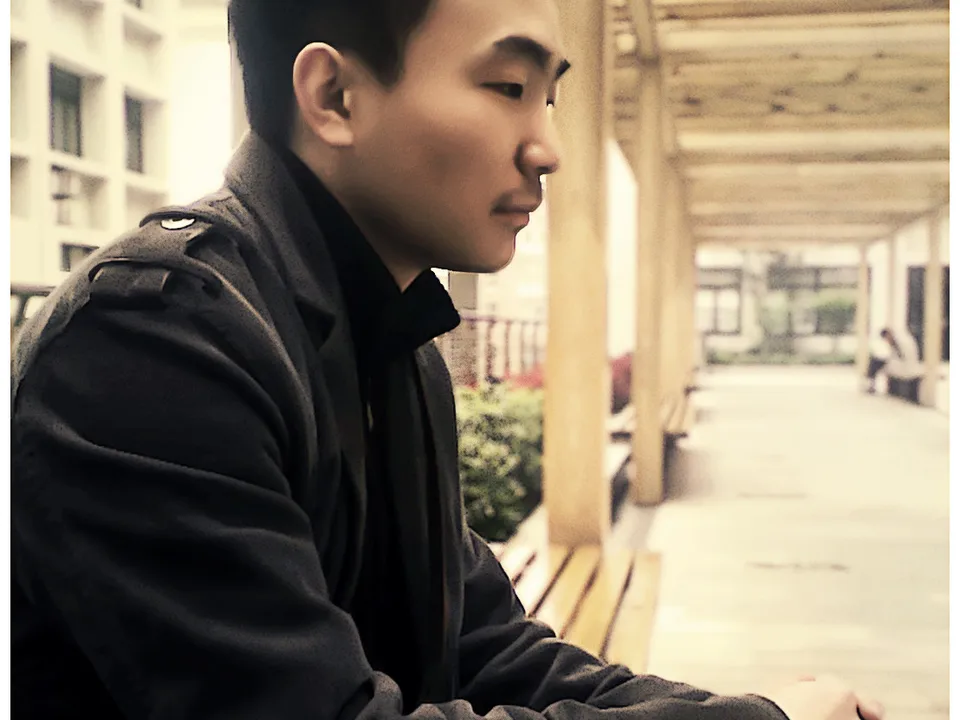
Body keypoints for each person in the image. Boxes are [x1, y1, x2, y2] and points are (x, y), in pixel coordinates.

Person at [10, 1, 885, 718]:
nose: (547, 148)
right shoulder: (154, 342)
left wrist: (751, 710)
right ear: (334, 97)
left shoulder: (393, 340)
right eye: (507, 87)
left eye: (548, 98)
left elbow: (482, 647)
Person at [865, 327, 922, 401]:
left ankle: (870, 383)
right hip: (899, 363)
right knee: (875, 362)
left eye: (886, 338)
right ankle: (870, 383)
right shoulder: (896, 341)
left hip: (906, 364)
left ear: (888, 335)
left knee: (876, 363)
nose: (887, 341)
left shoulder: (901, 341)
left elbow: (903, 356)